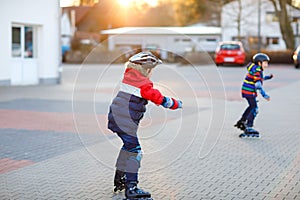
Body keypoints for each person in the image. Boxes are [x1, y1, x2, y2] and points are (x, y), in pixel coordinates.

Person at [107, 51, 182, 199]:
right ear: (146, 69)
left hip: (117, 118)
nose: (152, 73)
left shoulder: (128, 77)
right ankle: (131, 188)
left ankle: (120, 179)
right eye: (152, 70)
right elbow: (160, 99)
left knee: (128, 148)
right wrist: (177, 103)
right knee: (135, 152)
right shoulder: (144, 84)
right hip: (125, 121)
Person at [234, 53, 273, 137]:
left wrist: (267, 78)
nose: (267, 65)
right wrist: (265, 95)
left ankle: (242, 120)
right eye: (265, 63)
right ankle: (249, 126)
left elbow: (257, 78)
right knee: (255, 108)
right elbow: (258, 85)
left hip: (246, 91)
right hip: (249, 92)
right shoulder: (257, 71)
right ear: (259, 63)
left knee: (251, 106)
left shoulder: (255, 69)